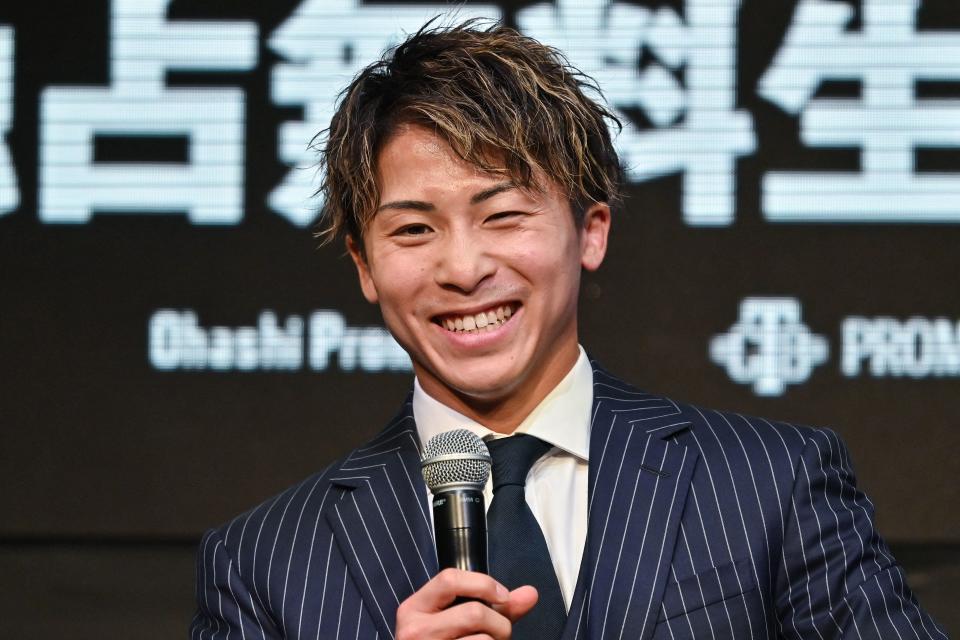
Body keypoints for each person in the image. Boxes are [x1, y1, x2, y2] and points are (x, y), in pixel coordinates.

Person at [191, 19, 948, 640]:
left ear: (590, 232)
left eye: (504, 215)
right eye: (414, 230)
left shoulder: (769, 486)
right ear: (363, 264)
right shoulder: (265, 564)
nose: (462, 267)